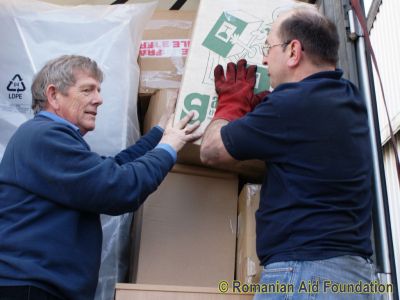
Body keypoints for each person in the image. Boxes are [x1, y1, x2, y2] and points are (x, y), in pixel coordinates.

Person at [200, 6, 379, 300]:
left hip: (305, 275)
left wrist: (231, 104)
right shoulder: (349, 98)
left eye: (268, 47)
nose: (264, 58)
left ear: (294, 51)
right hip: (354, 278)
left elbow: (210, 151)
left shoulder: (290, 108)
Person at [0, 55, 201, 300]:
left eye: (98, 90)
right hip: (31, 290)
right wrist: (168, 148)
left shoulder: (47, 137)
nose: (99, 99)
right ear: (53, 95)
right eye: (87, 90)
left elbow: (112, 169)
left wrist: (159, 133)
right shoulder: (44, 136)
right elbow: (118, 187)